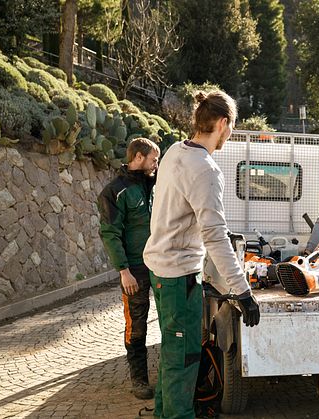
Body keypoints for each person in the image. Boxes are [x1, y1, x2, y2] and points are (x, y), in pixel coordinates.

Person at [143, 90, 260, 419]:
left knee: (173, 353)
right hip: (178, 274)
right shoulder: (205, 169)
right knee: (184, 359)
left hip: (162, 268)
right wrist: (243, 291)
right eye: (232, 127)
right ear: (223, 123)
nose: (231, 134)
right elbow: (214, 235)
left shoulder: (174, 152)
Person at [97, 137, 160, 400]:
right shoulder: (115, 191)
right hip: (134, 270)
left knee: (170, 322)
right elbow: (110, 233)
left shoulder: (156, 184)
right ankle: (139, 380)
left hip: (161, 265)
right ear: (138, 158)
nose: (156, 164)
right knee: (136, 325)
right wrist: (123, 271)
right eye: (153, 159)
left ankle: (170, 376)